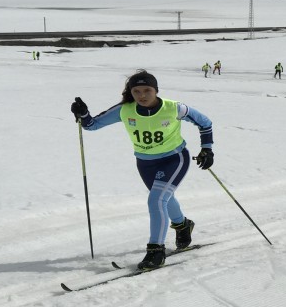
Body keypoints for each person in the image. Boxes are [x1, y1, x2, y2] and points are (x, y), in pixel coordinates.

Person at [70, 69, 214, 270]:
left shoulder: (174, 108)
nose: (142, 95)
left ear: (156, 90)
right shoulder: (125, 110)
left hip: (174, 158)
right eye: (137, 91)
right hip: (145, 163)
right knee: (165, 197)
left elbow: (205, 123)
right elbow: (92, 125)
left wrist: (207, 149)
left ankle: (156, 251)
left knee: (156, 199)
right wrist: (83, 114)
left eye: (147, 90)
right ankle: (183, 225)